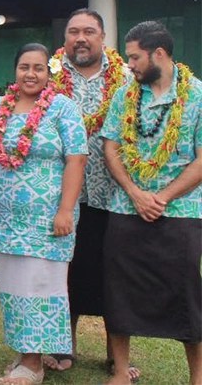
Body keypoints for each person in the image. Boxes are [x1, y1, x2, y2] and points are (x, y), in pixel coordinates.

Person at [0, 43, 87, 385]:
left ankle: (33, 363)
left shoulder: (62, 108)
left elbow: (77, 158)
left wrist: (66, 209)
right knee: (13, 286)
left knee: (40, 285)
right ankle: (26, 351)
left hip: (48, 216)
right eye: (24, 67)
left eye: (38, 68)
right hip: (7, 217)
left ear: (48, 72)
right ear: (15, 70)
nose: (30, 74)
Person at [99, 21, 201, 385]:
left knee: (185, 292)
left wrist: (162, 197)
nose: (130, 65)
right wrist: (135, 193)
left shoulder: (198, 96)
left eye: (135, 57)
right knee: (119, 288)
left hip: (181, 211)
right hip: (126, 207)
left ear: (159, 53)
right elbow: (110, 146)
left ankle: (197, 377)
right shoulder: (125, 95)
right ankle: (122, 372)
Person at [45, 8, 136, 379]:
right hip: (61, 197)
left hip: (113, 196)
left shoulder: (128, 79)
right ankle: (62, 346)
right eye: (73, 32)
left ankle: (117, 355)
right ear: (65, 38)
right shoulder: (45, 76)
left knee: (115, 275)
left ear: (103, 38)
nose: (80, 39)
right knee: (63, 271)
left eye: (89, 32)